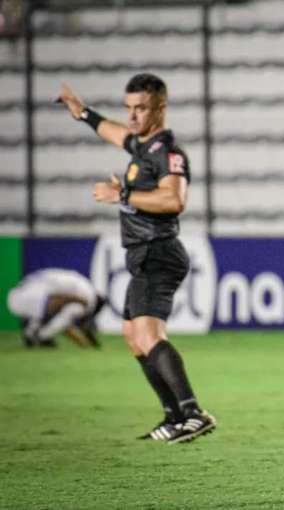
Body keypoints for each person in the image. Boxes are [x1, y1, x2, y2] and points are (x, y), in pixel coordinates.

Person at [56, 73, 215, 444]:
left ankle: (193, 412)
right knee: (132, 336)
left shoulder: (169, 154)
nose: (132, 116)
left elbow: (174, 200)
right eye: (129, 108)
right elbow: (114, 132)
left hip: (159, 252)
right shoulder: (142, 148)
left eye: (141, 108)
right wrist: (83, 113)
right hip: (141, 254)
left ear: (160, 109)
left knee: (148, 334)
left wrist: (123, 195)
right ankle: (173, 415)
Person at [7, 268, 104, 348]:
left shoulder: (85, 285)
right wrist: (88, 343)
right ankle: (41, 337)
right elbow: (65, 320)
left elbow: (65, 324)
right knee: (58, 313)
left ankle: (31, 334)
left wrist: (84, 343)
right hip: (29, 297)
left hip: (18, 293)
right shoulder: (89, 299)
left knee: (52, 312)